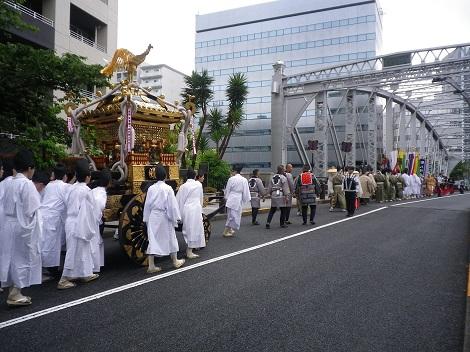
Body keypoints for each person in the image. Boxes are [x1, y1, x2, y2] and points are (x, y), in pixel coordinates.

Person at [1, 150, 42, 306]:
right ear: (30, 168)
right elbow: (32, 209)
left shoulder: (9, 182)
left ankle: (13, 289)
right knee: (22, 258)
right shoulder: (26, 184)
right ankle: (15, 293)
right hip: (22, 226)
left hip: (8, 225)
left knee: (11, 258)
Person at [58, 159, 97, 289]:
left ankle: (85, 272)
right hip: (80, 221)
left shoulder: (70, 188)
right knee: (74, 249)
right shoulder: (86, 191)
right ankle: (63, 279)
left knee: (80, 248)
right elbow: (92, 209)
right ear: (87, 177)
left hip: (71, 220)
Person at [143, 165, 185, 273]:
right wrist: (176, 217)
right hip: (164, 216)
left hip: (153, 216)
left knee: (153, 239)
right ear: (166, 176)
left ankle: (151, 265)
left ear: (155, 176)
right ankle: (175, 261)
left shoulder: (151, 188)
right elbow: (172, 205)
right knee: (171, 236)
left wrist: (146, 218)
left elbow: (147, 205)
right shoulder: (168, 188)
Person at [40, 164, 70, 279]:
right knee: (52, 243)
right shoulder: (64, 186)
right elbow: (69, 203)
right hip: (53, 218)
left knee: (47, 242)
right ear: (65, 176)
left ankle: (49, 266)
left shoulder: (48, 186)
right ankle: (52, 269)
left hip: (44, 216)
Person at [176, 168, 205, 259]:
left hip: (187, 209)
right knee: (196, 228)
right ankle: (190, 250)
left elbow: (179, 201)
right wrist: (200, 209)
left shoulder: (183, 186)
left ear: (186, 176)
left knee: (188, 229)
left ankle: (190, 250)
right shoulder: (199, 185)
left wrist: (179, 216)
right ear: (195, 176)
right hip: (196, 208)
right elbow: (201, 199)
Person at [89, 169, 112, 273]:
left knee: (95, 242)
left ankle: (95, 265)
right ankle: (93, 267)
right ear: (109, 183)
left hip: (90, 218)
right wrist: (99, 218)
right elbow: (99, 205)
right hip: (94, 219)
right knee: (95, 242)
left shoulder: (95, 190)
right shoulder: (102, 193)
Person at [223, 164, 251, 237]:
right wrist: (246, 199)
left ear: (235, 171)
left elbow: (227, 190)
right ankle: (226, 231)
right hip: (238, 198)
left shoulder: (231, 179)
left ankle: (229, 229)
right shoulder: (244, 180)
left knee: (231, 215)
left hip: (231, 197)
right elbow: (246, 191)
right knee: (235, 215)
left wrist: (226, 197)